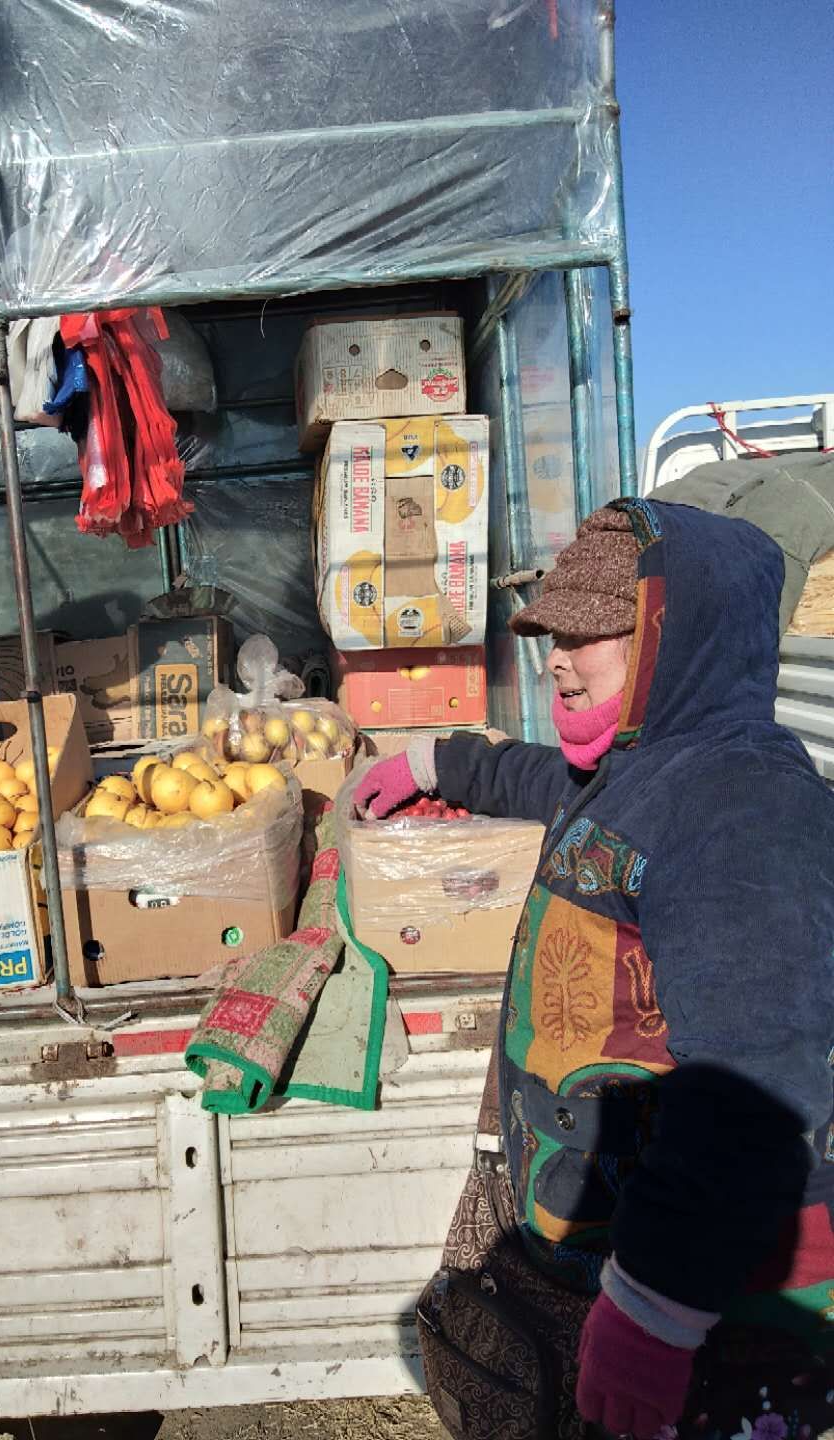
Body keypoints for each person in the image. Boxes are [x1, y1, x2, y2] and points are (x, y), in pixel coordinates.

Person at [355, 499, 834, 1438]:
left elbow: (753, 1092)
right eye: (552, 635)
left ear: (675, 636)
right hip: (617, 1253)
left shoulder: (743, 810)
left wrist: (657, 1313)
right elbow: (541, 779)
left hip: (717, 1312)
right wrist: (436, 761)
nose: (557, 660)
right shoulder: (641, 766)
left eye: (587, 634)